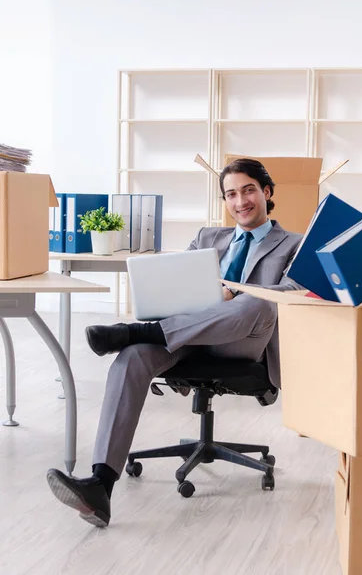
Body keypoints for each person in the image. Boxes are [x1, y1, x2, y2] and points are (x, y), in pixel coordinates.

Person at [47, 158, 302, 527]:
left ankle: (134, 331)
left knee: (260, 301)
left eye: (248, 190)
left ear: (266, 192)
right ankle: (100, 486)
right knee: (133, 357)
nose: (240, 201)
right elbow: (175, 285)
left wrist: (232, 292)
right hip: (187, 333)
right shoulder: (207, 238)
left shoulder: (293, 244)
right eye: (231, 194)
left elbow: (295, 291)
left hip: (244, 340)